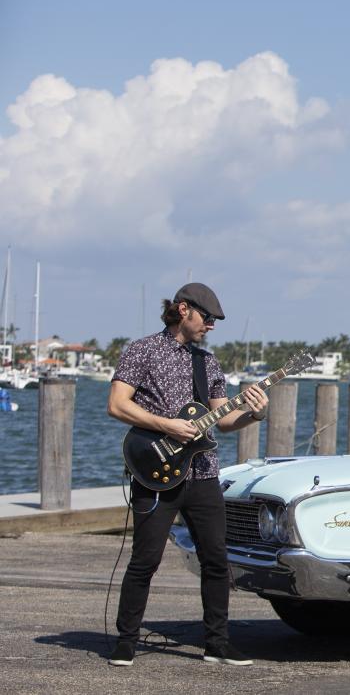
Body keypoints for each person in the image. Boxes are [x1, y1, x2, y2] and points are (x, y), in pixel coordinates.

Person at [106, 283, 269, 667]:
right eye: (207, 318)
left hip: (203, 473)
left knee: (216, 560)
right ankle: (126, 642)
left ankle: (217, 643)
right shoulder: (142, 350)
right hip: (155, 472)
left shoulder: (207, 363)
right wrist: (167, 425)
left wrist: (254, 414)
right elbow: (117, 404)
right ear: (183, 309)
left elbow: (223, 419)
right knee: (145, 560)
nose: (211, 326)